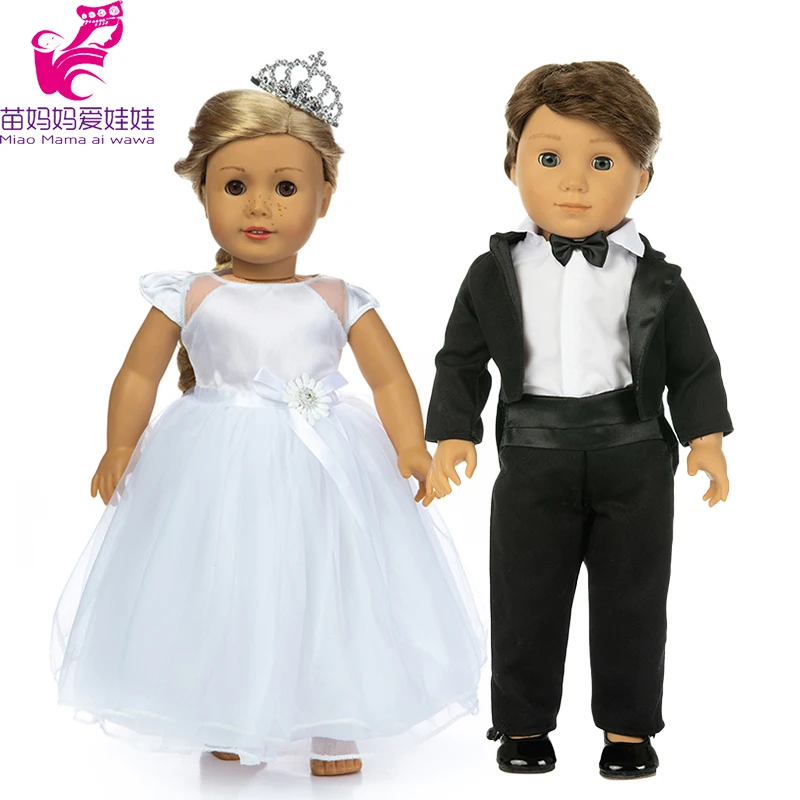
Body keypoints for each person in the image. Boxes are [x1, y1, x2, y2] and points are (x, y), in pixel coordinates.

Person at [51, 52, 485, 777]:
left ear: (325, 195)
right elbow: (138, 373)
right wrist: (119, 445)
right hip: (215, 461)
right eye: (235, 186)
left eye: (286, 187)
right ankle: (232, 710)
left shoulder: (338, 295)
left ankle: (335, 723)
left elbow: (389, 377)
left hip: (326, 461)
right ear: (202, 191)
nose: (260, 207)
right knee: (227, 584)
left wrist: (412, 446)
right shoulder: (188, 293)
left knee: (336, 583)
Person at [424, 61, 731, 780]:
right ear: (512, 165)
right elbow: (461, 360)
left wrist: (706, 438)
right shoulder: (493, 273)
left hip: (635, 454)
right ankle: (523, 725)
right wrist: (455, 432)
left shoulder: (657, 280)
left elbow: (693, 366)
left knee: (634, 599)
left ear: (642, 177)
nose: (573, 183)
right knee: (525, 596)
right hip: (533, 454)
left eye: (601, 163)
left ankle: (629, 730)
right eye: (548, 159)